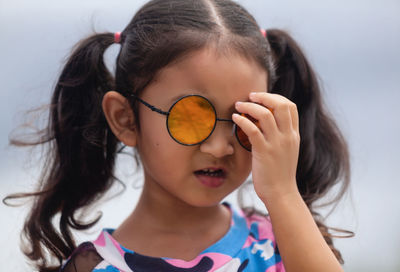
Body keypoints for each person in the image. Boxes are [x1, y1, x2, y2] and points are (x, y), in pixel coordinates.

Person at [3, 0, 354, 271]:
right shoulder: (95, 267)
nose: (220, 146)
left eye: (243, 118)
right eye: (189, 116)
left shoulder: (284, 243)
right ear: (125, 119)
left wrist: (282, 194)